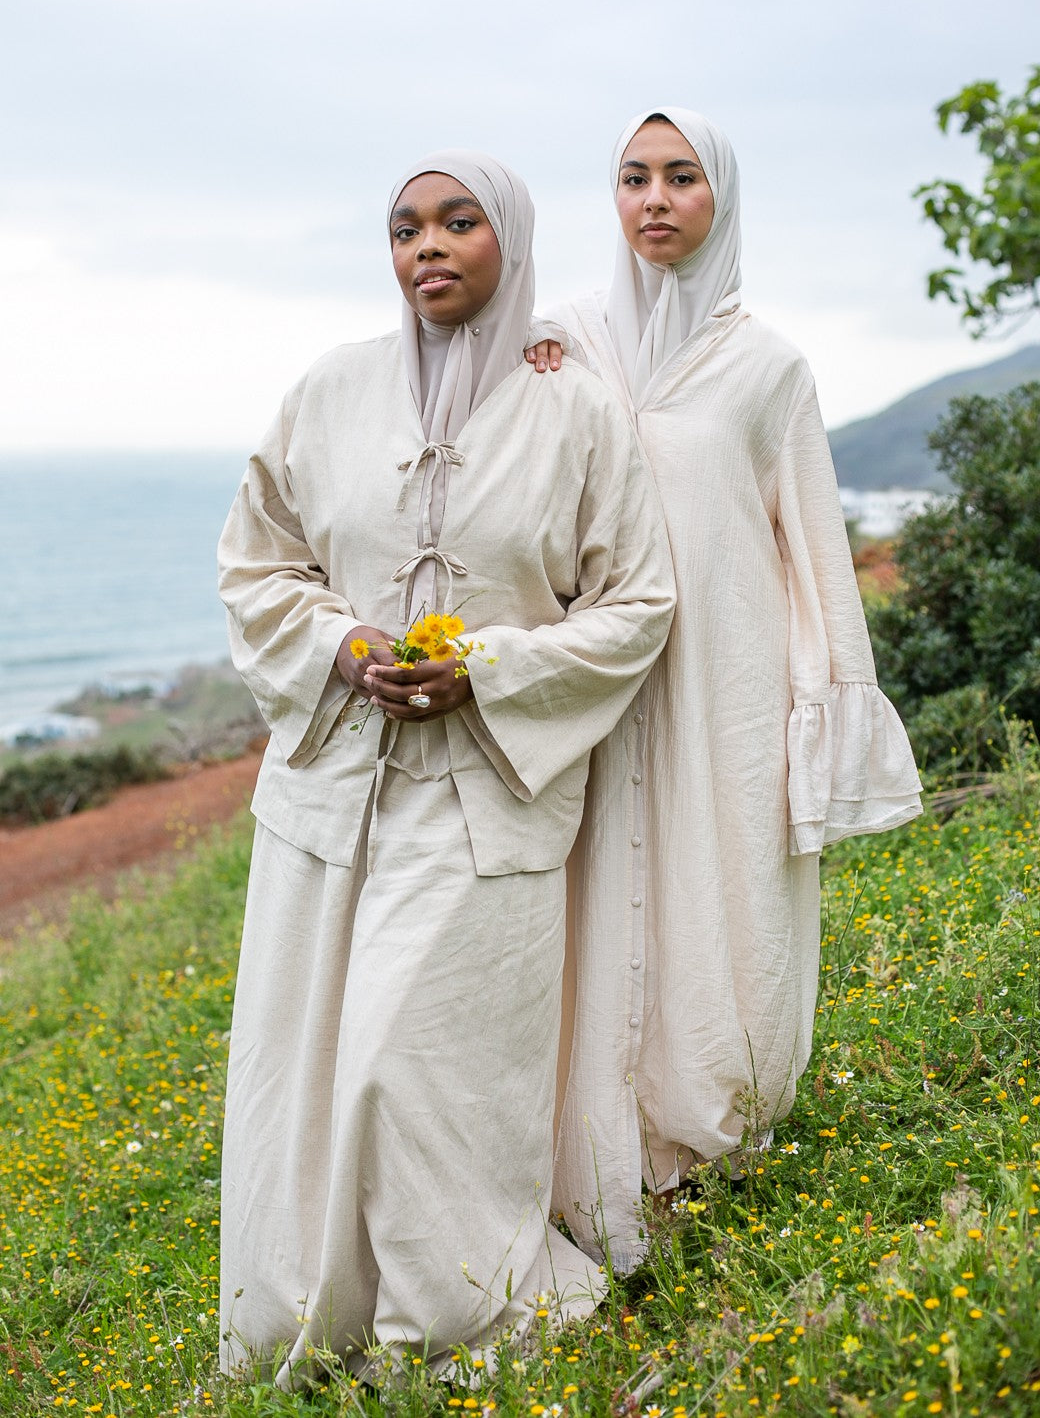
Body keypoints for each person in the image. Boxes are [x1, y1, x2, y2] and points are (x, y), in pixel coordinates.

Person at [216, 149, 675, 1384]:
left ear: (506, 240)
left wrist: (490, 667)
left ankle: (462, 1316)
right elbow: (257, 563)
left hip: (488, 797)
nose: (427, 245)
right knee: (303, 1067)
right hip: (327, 792)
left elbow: (636, 602)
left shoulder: (576, 411)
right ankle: (309, 1320)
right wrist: (341, 643)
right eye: (405, 226)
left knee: (406, 1066)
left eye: (458, 221)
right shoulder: (327, 391)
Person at [530, 109, 922, 1272]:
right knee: (591, 895)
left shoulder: (768, 368)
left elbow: (811, 545)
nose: (654, 199)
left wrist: (826, 702)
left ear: (721, 196)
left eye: (681, 177)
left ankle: (704, 1134)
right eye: (633, 177)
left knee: (720, 888)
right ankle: (583, 1150)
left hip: (722, 678)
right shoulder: (558, 341)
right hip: (591, 673)